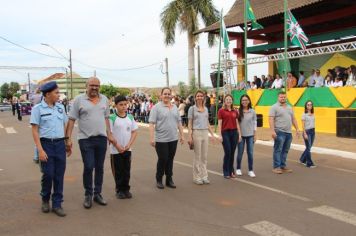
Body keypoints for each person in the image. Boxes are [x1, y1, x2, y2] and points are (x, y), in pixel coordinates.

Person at [65, 77, 115, 209]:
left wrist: (109, 134)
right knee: (88, 166)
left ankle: (97, 193)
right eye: (92, 85)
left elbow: (106, 118)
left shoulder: (104, 99)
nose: (94, 88)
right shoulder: (78, 100)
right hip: (85, 139)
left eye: (97, 86)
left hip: (101, 139)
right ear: (86, 86)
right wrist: (67, 138)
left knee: (99, 167)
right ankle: (88, 194)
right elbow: (71, 120)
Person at [30, 81, 70, 217]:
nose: (59, 95)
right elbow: (35, 131)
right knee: (48, 174)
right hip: (46, 144)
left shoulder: (60, 108)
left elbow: (65, 125)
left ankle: (57, 204)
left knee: (59, 175)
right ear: (47, 94)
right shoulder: (37, 109)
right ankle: (45, 199)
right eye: (56, 93)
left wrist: (67, 142)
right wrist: (40, 150)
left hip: (59, 145)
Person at [149, 87, 184, 189]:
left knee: (170, 159)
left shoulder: (174, 107)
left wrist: (182, 135)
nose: (167, 96)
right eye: (165, 94)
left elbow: (179, 122)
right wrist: (152, 138)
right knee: (163, 158)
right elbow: (151, 124)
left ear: (171, 96)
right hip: (161, 139)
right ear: (161, 95)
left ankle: (169, 179)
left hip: (173, 138)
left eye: (169, 94)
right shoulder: (156, 108)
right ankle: (159, 179)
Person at [109, 95, 138, 199]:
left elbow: (134, 132)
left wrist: (129, 145)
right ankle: (119, 190)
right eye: (121, 105)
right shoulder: (112, 118)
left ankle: (126, 189)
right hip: (116, 151)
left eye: (125, 104)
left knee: (126, 170)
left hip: (127, 149)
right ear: (115, 105)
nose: (124, 107)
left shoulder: (130, 117)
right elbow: (110, 134)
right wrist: (117, 146)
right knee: (118, 171)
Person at [188, 90, 218, 185]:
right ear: (195, 97)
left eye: (201, 96)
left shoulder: (206, 109)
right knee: (197, 156)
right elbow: (189, 124)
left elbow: (207, 123)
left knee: (204, 157)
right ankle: (197, 177)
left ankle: (204, 176)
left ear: (204, 97)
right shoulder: (192, 109)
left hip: (205, 132)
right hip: (196, 132)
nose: (199, 97)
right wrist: (190, 136)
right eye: (198, 96)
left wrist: (212, 134)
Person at [269, 92, 300, 174]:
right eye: (281, 97)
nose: (282, 98)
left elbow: (293, 119)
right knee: (278, 149)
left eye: (284, 97)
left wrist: (297, 129)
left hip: (288, 133)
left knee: (285, 150)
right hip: (279, 131)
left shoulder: (289, 107)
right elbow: (271, 119)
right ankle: (276, 167)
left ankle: (283, 166)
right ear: (278, 98)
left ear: (286, 98)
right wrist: (272, 131)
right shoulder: (274, 107)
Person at [218, 94, 242, 179]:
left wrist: (239, 134)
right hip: (225, 133)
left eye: (230, 99)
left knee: (232, 153)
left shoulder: (235, 111)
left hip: (234, 133)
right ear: (224, 101)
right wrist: (219, 135)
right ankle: (226, 171)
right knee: (228, 152)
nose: (228, 101)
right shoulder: (221, 111)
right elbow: (220, 124)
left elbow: (237, 123)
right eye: (227, 99)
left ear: (232, 101)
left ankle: (231, 171)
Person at [236, 95, 257, 178]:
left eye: (246, 100)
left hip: (250, 135)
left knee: (250, 153)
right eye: (243, 100)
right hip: (241, 135)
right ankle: (238, 168)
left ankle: (250, 170)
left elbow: (255, 123)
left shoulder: (252, 111)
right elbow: (236, 124)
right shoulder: (238, 111)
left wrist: (255, 134)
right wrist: (239, 134)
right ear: (241, 102)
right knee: (240, 153)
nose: (244, 102)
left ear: (249, 101)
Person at [299, 101, 316, 168]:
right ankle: (309, 163)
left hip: (313, 131)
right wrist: (304, 133)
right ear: (306, 106)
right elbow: (303, 125)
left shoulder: (313, 114)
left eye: (311, 104)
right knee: (308, 148)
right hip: (307, 132)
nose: (309, 106)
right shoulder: (304, 114)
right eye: (308, 104)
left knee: (309, 147)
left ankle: (302, 159)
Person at [30, 88, 43, 164]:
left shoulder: (33, 96)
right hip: (42, 113)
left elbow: (30, 101)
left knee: (37, 137)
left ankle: (36, 157)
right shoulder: (41, 96)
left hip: (35, 113)